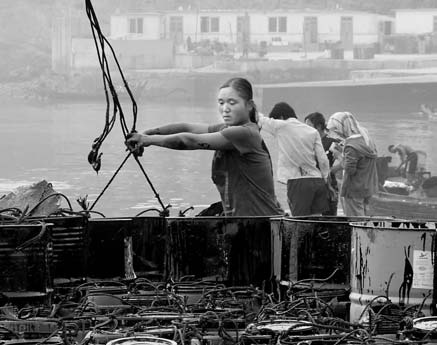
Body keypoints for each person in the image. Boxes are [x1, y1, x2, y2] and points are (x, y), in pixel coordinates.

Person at [125, 77, 284, 217]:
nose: (225, 108)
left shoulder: (245, 134)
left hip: (263, 222)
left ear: (249, 106)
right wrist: (148, 133)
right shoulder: (225, 129)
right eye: (221, 103)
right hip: (242, 222)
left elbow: (189, 141)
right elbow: (187, 127)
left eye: (232, 102)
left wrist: (148, 140)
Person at [258, 102, 330, 216]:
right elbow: (323, 160)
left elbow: (259, 119)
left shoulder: (281, 126)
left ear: (281, 118)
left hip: (298, 181)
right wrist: (325, 178)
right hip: (317, 180)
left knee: (299, 221)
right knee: (317, 220)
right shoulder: (312, 131)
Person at [326, 111, 378, 217]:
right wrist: (343, 151)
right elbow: (361, 160)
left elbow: (350, 170)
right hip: (367, 186)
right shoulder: (366, 138)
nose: (337, 133)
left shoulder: (351, 145)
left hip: (354, 188)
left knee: (356, 220)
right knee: (365, 217)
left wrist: (338, 155)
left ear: (342, 127)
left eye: (336, 129)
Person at [304, 112, 339, 216]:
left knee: (329, 219)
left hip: (329, 186)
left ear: (319, 126)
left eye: (309, 126)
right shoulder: (307, 143)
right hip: (312, 186)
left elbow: (343, 163)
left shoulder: (333, 142)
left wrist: (329, 171)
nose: (305, 129)